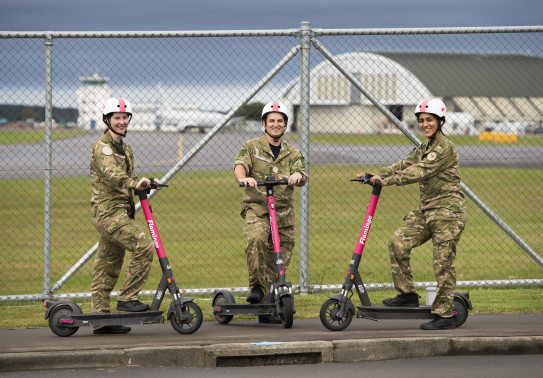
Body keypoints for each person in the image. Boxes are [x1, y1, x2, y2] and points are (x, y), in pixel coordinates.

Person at [356, 98, 466, 330]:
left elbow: (419, 171)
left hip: (447, 211)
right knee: (397, 242)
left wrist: (389, 181)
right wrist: (373, 174)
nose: (425, 124)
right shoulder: (424, 148)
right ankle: (406, 294)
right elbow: (404, 164)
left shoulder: (444, 147)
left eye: (430, 120)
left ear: (440, 121)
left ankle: (445, 315)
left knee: (442, 262)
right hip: (427, 210)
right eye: (422, 120)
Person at [89, 97, 162, 334]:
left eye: (124, 118)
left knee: (107, 266)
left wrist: (149, 182)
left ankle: (100, 319)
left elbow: (128, 177)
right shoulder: (103, 147)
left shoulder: (125, 148)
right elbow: (113, 175)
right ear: (107, 120)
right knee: (143, 245)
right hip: (108, 213)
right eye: (117, 118)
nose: (121, 122)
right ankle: (128, 297)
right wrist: (135, 183)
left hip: (121, 212)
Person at [234, 101, 307, 324]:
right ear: (264, 123)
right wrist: (243, 178)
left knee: (280, 261)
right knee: (256, 240)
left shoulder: (293, 152)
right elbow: (240, 165)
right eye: (272, 121)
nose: (276, 125)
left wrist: (298, 177)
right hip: (258, 208)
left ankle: (268, 305)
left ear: (285, 124)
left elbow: (302, 174)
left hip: (283, 213)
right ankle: (257, 288)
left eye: (280, 121)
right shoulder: (251, 146)